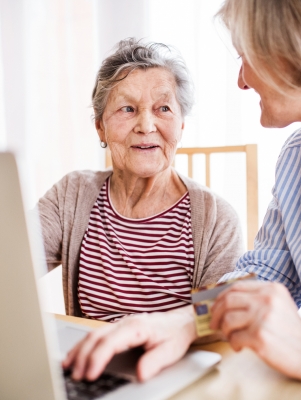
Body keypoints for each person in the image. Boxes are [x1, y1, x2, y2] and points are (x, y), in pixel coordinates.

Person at [63, 1, 301, 398]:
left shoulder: (211, 212)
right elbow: (264, 276)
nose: (241, 80)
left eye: (244, 56)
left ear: (297, 46)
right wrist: (181, 323)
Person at [37, 38, 243, 322]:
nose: (146, 126)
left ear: (181, 125)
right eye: (128, 109)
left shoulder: (217, 219)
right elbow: (7, 260)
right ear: (100, 126)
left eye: (163, 109)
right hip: (91, 361)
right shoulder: (71, 194)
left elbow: (219, 320)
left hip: (172, 363)